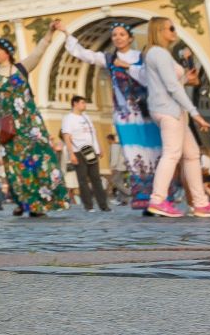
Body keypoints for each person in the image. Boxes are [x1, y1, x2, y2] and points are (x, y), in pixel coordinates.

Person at [56, 20, 161, 211]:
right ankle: (143, 196)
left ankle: (160, 194)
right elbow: (82, 53)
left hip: (146, 112)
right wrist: (66, 32)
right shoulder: (108, 58)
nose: (117, 38)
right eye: (114, 35)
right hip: (125, 116)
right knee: (133, 154)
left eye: (122, 34)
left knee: (154, 152)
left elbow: (151, 79)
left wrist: (129, 67)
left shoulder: (142, 57)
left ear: (130, 38)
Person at [139, 17, 210, 218]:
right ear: (160, 30)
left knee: (192, 154)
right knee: (172, 154)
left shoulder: (159, 54)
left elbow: (169, 83)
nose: (174, 31)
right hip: (170, 110)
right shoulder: (158, 53)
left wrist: (187, 77)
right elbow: (171, 87)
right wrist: (195, 113)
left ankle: (200, 203)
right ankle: (158, 200)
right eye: (171, 28)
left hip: (173, 110)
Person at [0, 34, 69, 216]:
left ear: (6, 51)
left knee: (39, 160)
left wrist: (48, 32)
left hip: (30, 124)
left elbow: (38, 52)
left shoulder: (22, 67)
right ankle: (23, 202)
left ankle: (42, 203)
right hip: (8, 127)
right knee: (15, 165)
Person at [60, 96, 111, 213]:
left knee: (96, 179)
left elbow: (93, 134)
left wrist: (99, 148)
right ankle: (89, 206)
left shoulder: (86, 117)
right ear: (75, 104)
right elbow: (66, 136)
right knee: (82, 179)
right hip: (78, 152)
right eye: (82, 103)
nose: (85, 105)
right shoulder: (68, 119)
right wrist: (71, 153)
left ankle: (104, 205)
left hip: (91, 151)